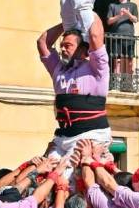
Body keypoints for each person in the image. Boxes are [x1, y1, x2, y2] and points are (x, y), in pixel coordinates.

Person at [37, 13, 111, 176]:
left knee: (67, 180)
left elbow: (95, 36)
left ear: (83, 49)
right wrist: (67, 22)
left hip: (89, 134)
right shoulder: (58, 69)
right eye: (62, 45)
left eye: (68, 45)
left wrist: (84, 9)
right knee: (44, 175)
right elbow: (43, 42)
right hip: (63, 136)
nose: (62, 48)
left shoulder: (97, 69)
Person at [106, 0, 139, 89]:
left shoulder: (133, 5)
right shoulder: (113, 6)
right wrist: (119, 15)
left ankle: (128, 85)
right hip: (116, 37)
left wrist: (128, 14)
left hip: (129, 37)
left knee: (129, 61)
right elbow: (109, 21)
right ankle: (116, 84)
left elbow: (135, 20)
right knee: (117, 61)